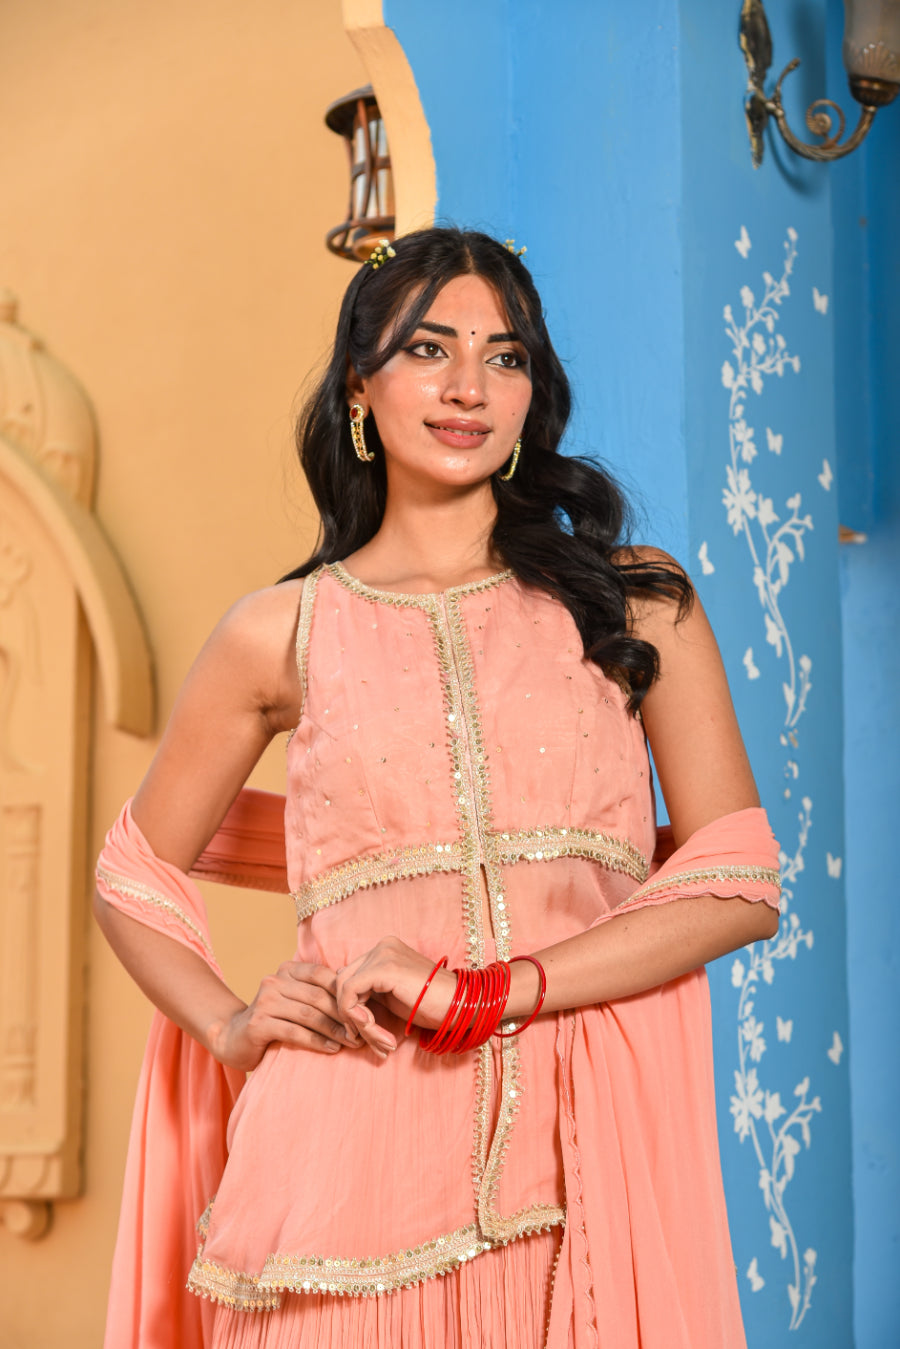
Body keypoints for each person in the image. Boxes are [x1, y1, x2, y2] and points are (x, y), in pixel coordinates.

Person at [94, 227, 782, 1349]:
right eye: (430, 349)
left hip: (577, 1168)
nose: (470, 387)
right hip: (336, 1177)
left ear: (532, 395)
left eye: (505, 358)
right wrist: (228, 1021)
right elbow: (134, 871)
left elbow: (738, 877)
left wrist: (497, 988)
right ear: (360, 384)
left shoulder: (634, 603)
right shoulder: (281, 633)